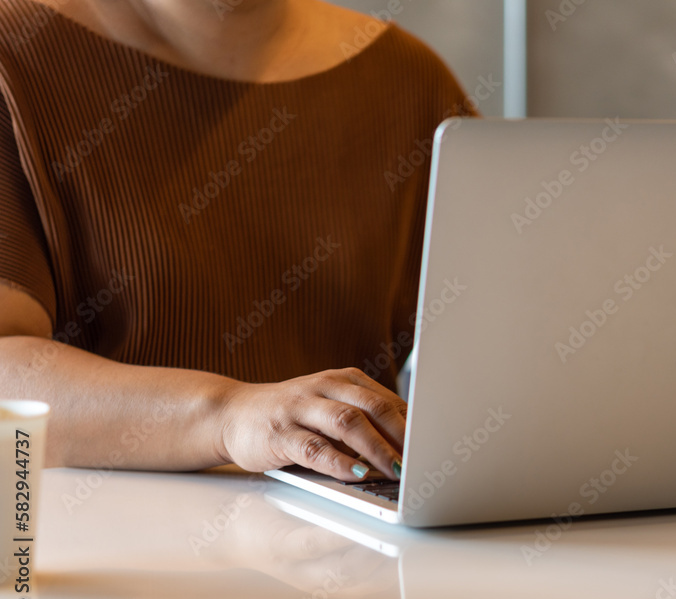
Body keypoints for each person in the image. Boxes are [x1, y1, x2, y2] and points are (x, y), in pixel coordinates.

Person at [0, 0, 477, 481]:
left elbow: (508, 348)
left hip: (360, 544)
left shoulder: (410, 78)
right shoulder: (14, 51)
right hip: (114, 542)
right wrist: (229, 416)